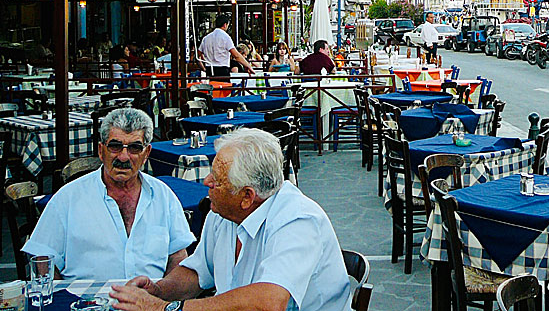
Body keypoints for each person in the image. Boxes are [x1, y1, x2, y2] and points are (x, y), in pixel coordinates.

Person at [110, 128, 350, 311]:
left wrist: (168, 308)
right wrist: (159, 291)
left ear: (247, 196)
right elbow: (198, 273)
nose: (207, 182)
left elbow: (269, 301)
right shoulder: (224, 212)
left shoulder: (298, 219)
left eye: (217, 179)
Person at [22, 108, 195, 281]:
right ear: (101, 150)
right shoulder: (69, 197)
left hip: (148, 301)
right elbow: (42, 259)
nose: (123, 157)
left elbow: (178, 256)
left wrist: (163, 297)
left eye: (135, 148)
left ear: (146, 154)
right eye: (115, 146)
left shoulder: (163, 195)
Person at [198, 14, 255, 79]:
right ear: (225, 25)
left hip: (209, 70)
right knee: (224, 88)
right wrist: (248, 66)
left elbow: (198, 55)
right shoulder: (225, 37)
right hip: (222, 70)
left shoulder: (206, 38)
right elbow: (236, 55)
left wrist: (203, 68)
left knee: (211, 88)